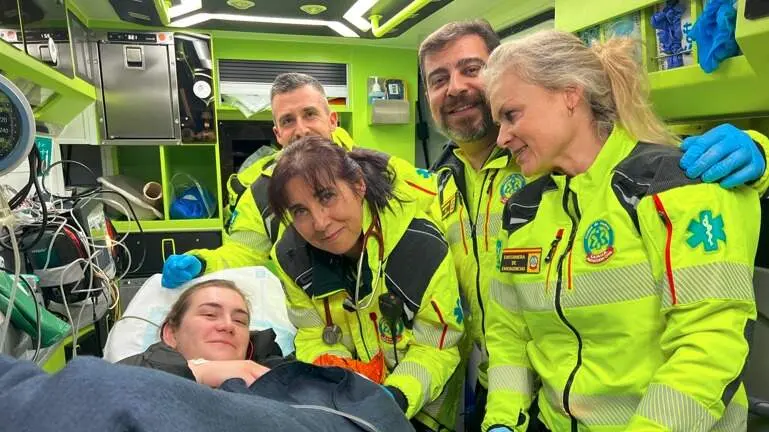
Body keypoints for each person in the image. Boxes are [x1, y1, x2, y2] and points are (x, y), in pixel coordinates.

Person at [417, 19, 769, 431]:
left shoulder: (673, 186)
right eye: (438, 79)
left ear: (570, 95)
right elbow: (508, 335)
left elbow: (708, 349)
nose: (503, 136)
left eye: (511, 115)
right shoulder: (516, 206)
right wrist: (502, 422)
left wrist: (762, 151)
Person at [268, 136, 464, 431]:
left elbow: (437, 346)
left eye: (326, 196)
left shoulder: (422, 249)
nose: (320, 223)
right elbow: (313, 334)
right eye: (300, 211)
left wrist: (394, 396)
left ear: (358, 185)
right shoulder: (292, 258)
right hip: (342, 404)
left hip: (420, 404)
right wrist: (344, 386)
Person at [161, 72, 355, 288]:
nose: (301, 130)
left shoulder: (372, 171)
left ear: (332, 121)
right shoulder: (261, 191)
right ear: (278, 133)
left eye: (310, 114)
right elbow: (242, 252)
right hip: (310, 312)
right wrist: (202, 262)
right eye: (288, 120)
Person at [119, 278, 285, 388]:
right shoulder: (131, 375)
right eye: (210, 315)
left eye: (239, 321)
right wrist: (198, 372)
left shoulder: (280, 375)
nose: (228, 325)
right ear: (171, 334)